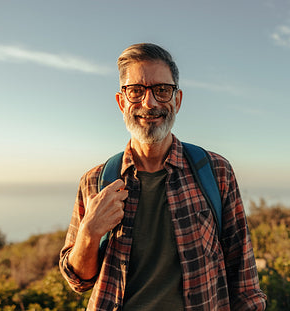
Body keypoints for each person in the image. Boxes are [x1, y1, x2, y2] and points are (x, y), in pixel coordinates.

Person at [59, 43, 267, 310]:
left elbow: (244, 277)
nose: (150, 102)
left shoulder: (215, 171)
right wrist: (89, 233)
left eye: (162, 90)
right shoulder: (95, 181)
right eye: (135, 91)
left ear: (177, 100)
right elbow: (78, 280)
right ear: (121, 102)